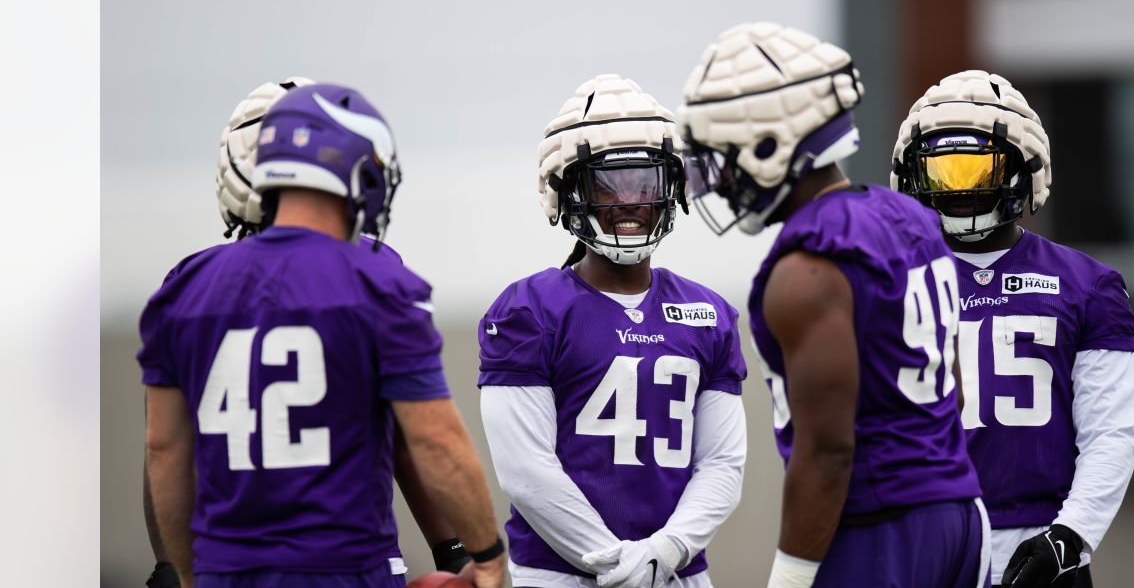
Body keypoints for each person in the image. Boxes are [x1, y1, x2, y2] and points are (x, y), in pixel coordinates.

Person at [138, 83, 506, 588]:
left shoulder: (183, 290)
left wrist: (184, 572)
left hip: (226, 571)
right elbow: (431, 437)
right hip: (346, 568)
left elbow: (165, 450)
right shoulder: (378, 281)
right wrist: (482, 555)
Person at [677, 22, 989, 588]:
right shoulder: (911, 218)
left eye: (722, 157)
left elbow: (828, 453)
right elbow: (957, 390)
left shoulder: (805, 268)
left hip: (877, 528)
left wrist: (790, 579)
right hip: (961, 514)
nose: (718, 180)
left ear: (767, 143)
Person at [477, 74, 748, 588]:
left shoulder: (708, 312)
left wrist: (664, 553)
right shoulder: (529, 310)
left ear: (671, 187)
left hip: (677, 571)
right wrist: (615, 563)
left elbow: (722, 465)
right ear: (567, 189)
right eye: (608, 183)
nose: (628, 200)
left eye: (644, 181)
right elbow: (526, 471)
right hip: (562, 575)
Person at [890, 70, 1134, 587]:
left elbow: (1111, 432)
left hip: (1041, 543)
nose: (959, 189)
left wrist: (1071, 534)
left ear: (1023, 167)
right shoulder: (884, 286)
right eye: (942, 172)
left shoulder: (1087, 284)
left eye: (976, 169)